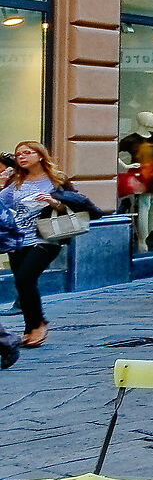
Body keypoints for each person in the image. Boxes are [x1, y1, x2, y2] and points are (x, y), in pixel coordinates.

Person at [0, 141, 95, 348]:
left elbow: (76, 205)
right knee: (22, 283)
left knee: (25, 278)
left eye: (27, 153)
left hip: (47, 237)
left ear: (40, 156)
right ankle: (32, 327)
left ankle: (37, 325)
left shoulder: (56, 179)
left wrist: (54, 203)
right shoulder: (15, 180)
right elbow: (2, 203)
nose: (22, 157)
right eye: (18, 155)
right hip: (18, 239)